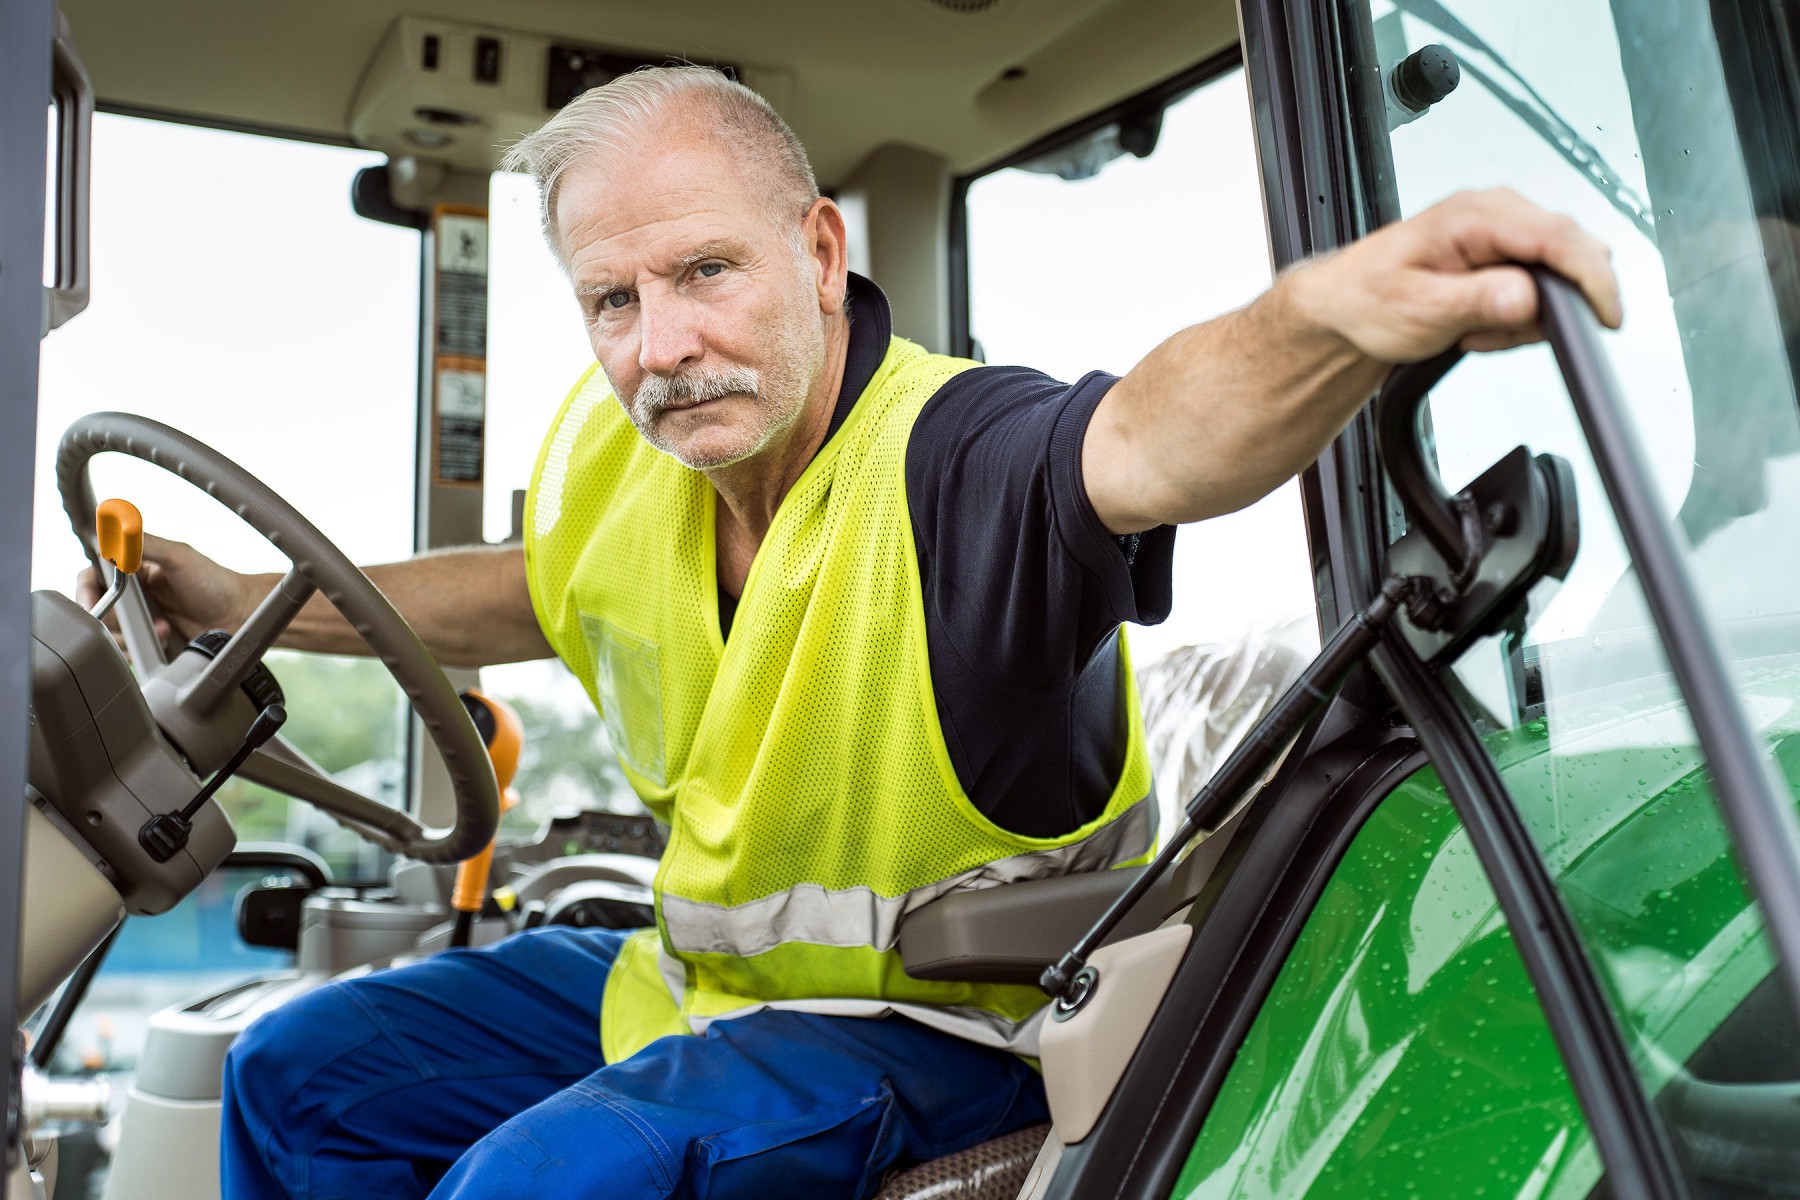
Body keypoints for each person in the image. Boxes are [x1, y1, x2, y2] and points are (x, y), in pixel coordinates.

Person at [91, 66, 1619, 1200]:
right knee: (296, 1076)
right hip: (691, 992)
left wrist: (1329, 316)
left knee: (540, 1185)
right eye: (611, 299)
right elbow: (526, 590)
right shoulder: (629, 459)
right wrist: (244, 602)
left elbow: (1153, 437)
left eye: (705, 271)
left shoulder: (960, 460)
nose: (662, 344)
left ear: (819, 253)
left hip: (942, 1031)